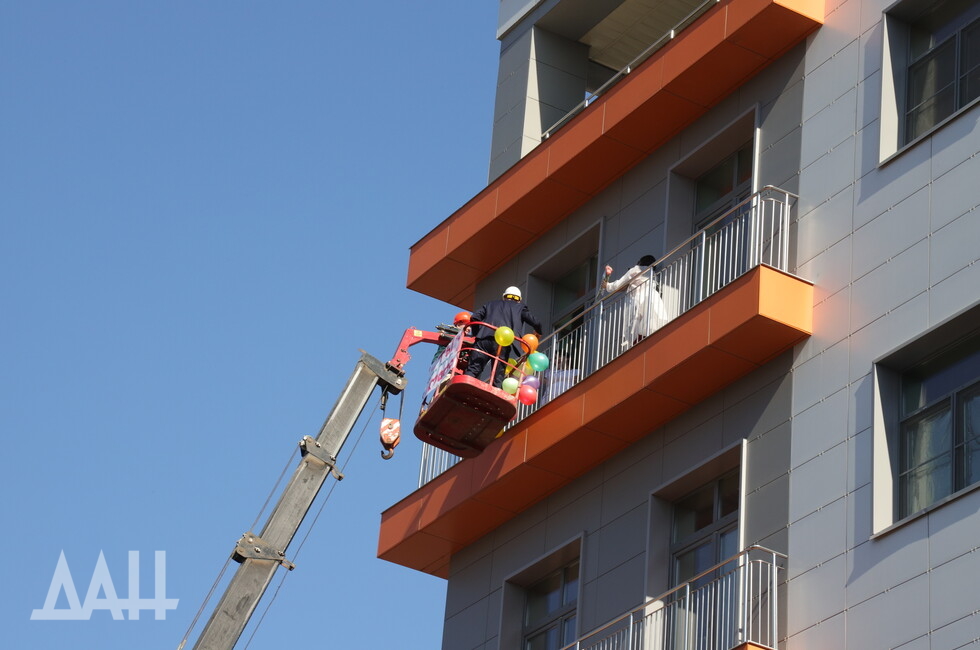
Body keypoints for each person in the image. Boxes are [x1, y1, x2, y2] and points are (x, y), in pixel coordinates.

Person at [464, 286, 543, 388]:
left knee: (474, 368)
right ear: (519, 299)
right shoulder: (520, 308)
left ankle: (464, 387)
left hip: (483, 340)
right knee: (498, 375)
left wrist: (477, 334)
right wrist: (538, 332)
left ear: (504, 297)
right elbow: (536, 322)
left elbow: (475, 317)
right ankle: (494, 396)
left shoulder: (490, 304)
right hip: (503, 342)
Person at [601, 254, 665, 344]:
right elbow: (626, 286)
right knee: (649, 324)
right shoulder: (652, 274)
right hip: (652, 299)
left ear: (640, 262)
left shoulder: (636, 269)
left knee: (636, 325)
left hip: (639, 299)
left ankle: (637, 342)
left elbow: (619, 285)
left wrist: (607, 285)